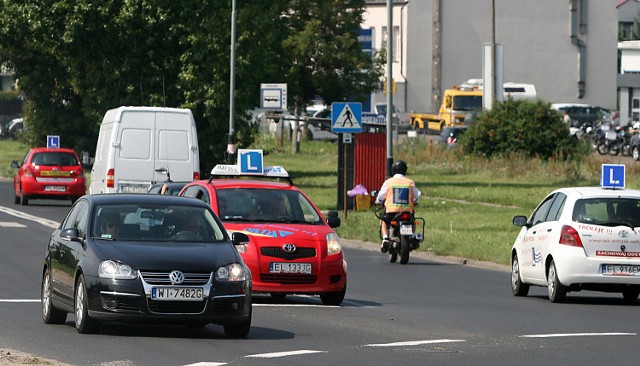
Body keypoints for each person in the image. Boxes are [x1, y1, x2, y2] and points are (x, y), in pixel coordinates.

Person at [374, 160, 421, 253]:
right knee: (413, 221)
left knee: (383, 221)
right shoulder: (410, 182)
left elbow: (380, 196)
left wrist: (378, 201)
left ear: (393, 170)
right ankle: (411, 235)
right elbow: (417, 196)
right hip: (407, 212)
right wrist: (415, 201)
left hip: (391, 212)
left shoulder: (389, 182)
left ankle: (385, 238)